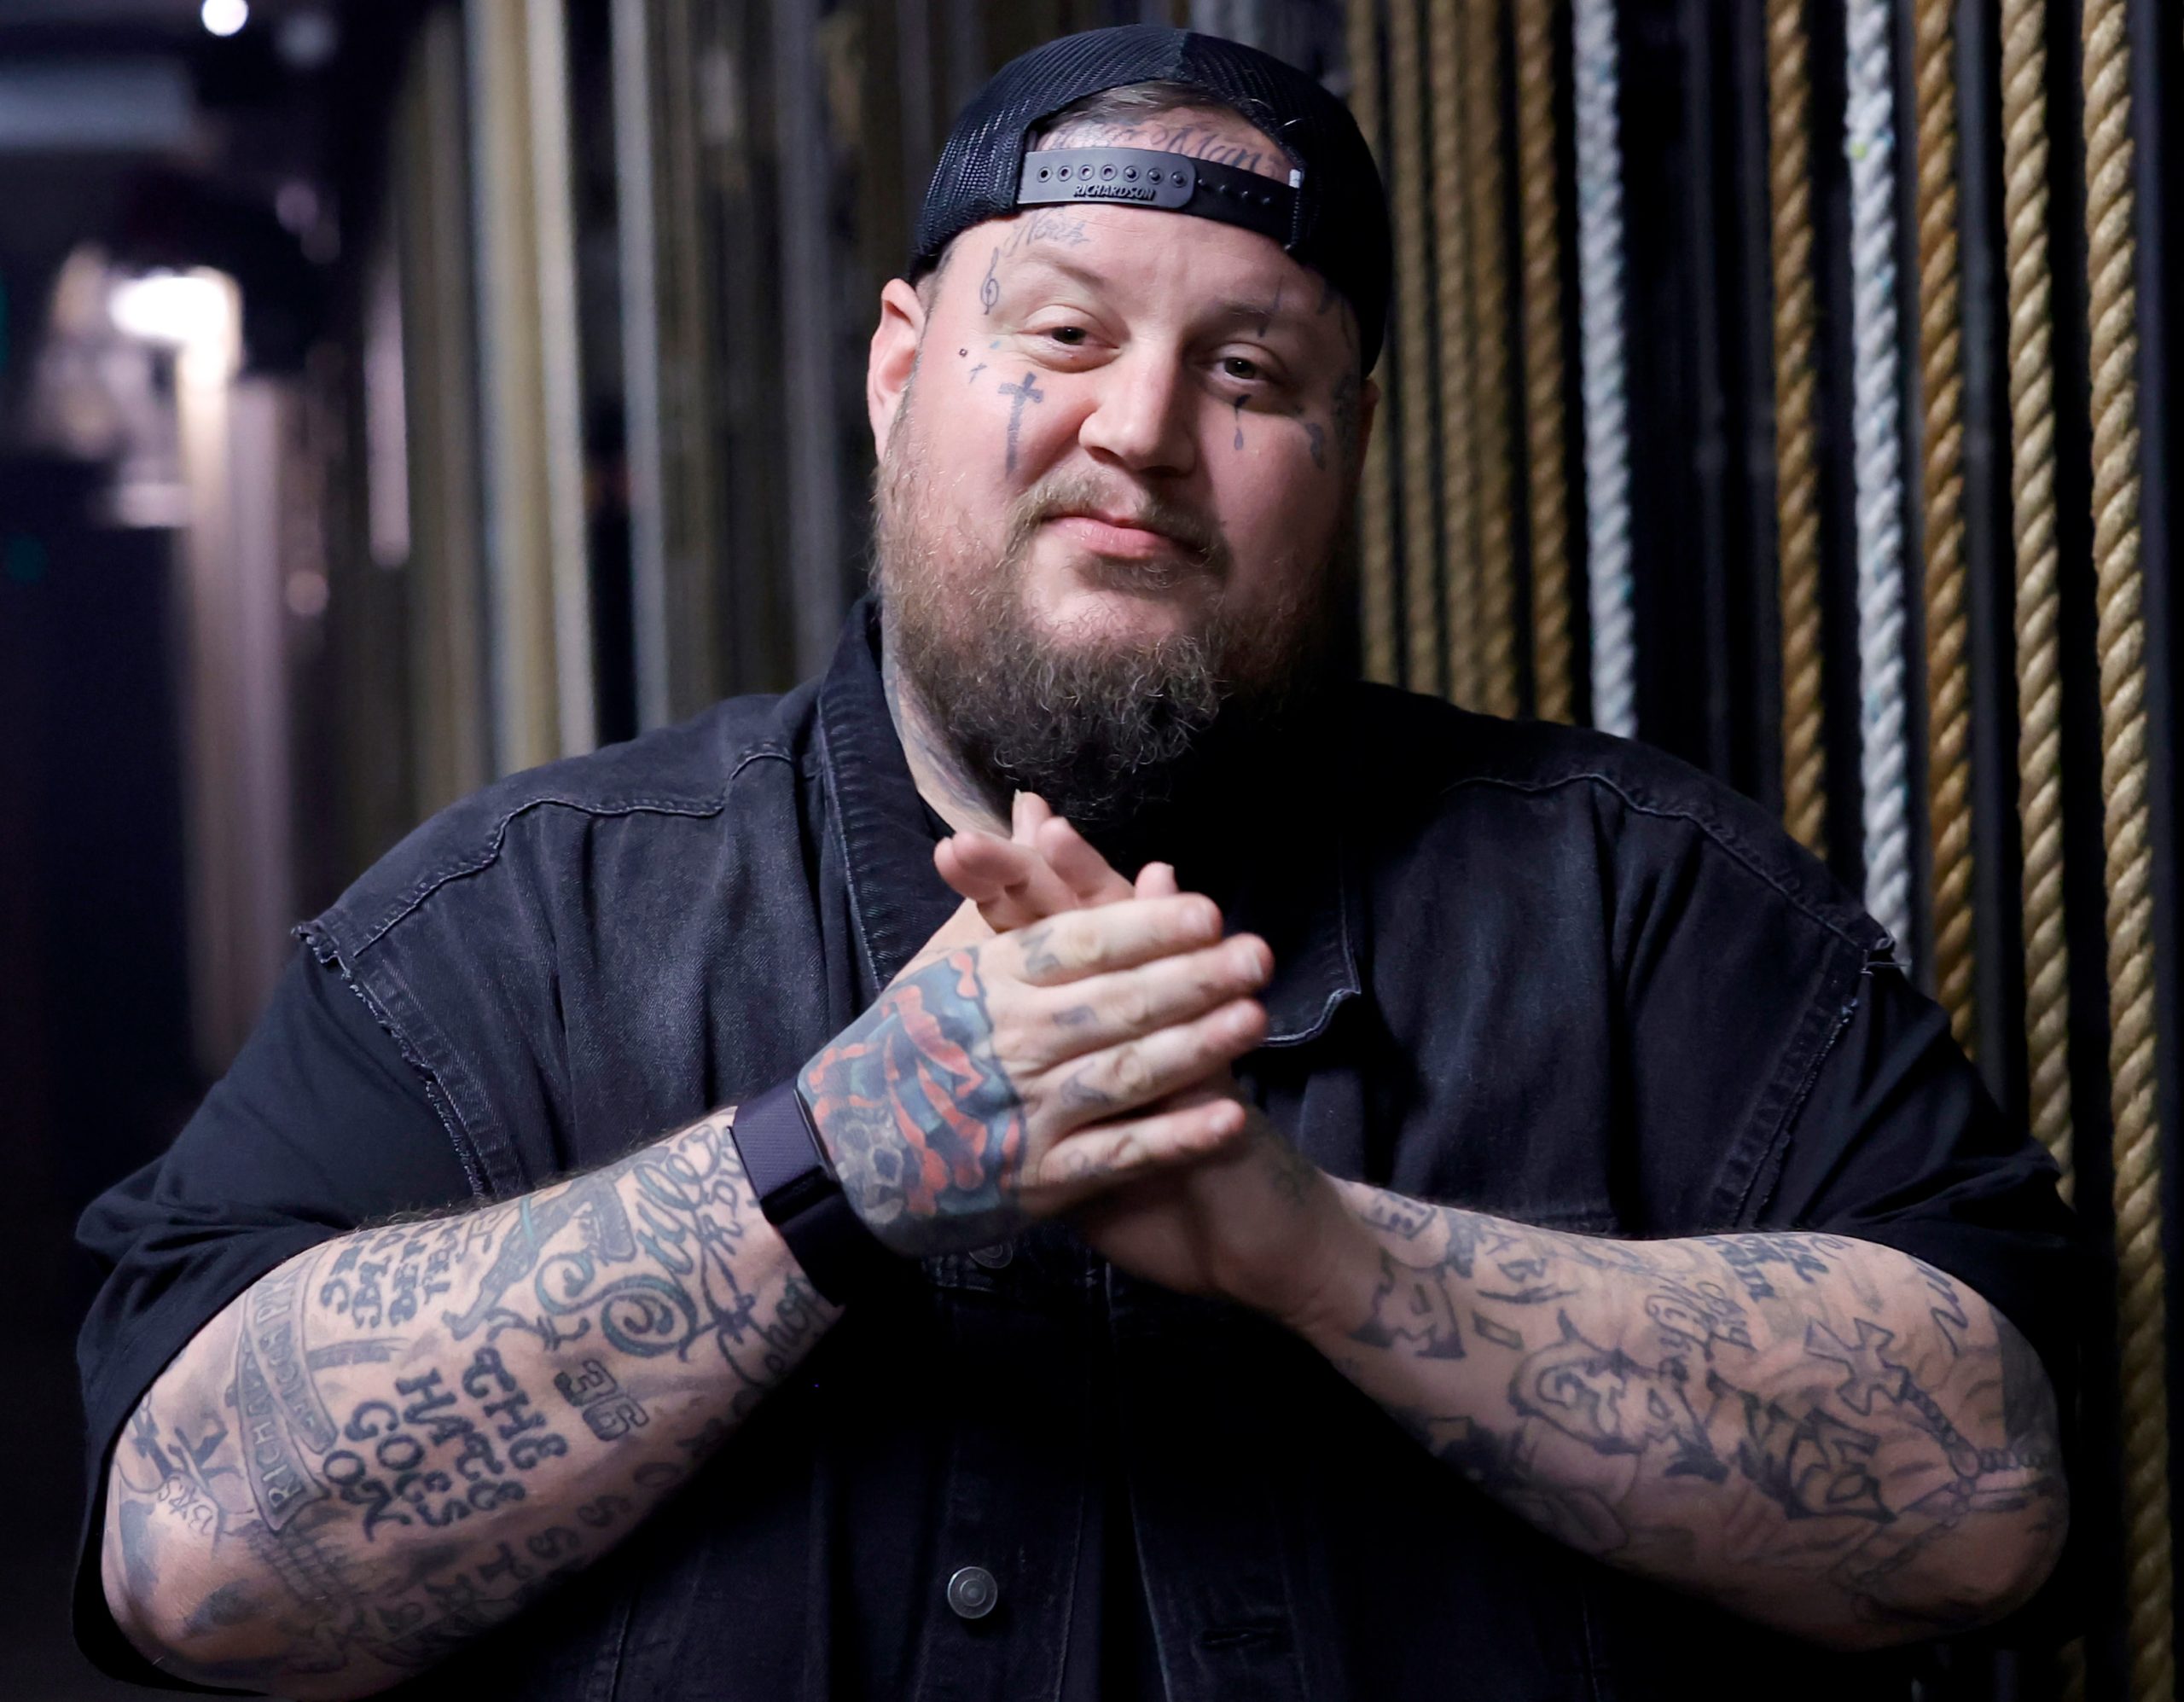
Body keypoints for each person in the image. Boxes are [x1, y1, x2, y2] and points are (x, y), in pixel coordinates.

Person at [78, 24, 2077, 1702]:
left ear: (1350, 438)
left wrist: (1325, 1257)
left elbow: (1983, 1490)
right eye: (1061, 331)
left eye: (1247, 372)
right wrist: (826, 1165)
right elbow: (194, 1548)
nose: (1140, 428)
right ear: (896, 368)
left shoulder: (1630, 905)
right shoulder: (525, 929)